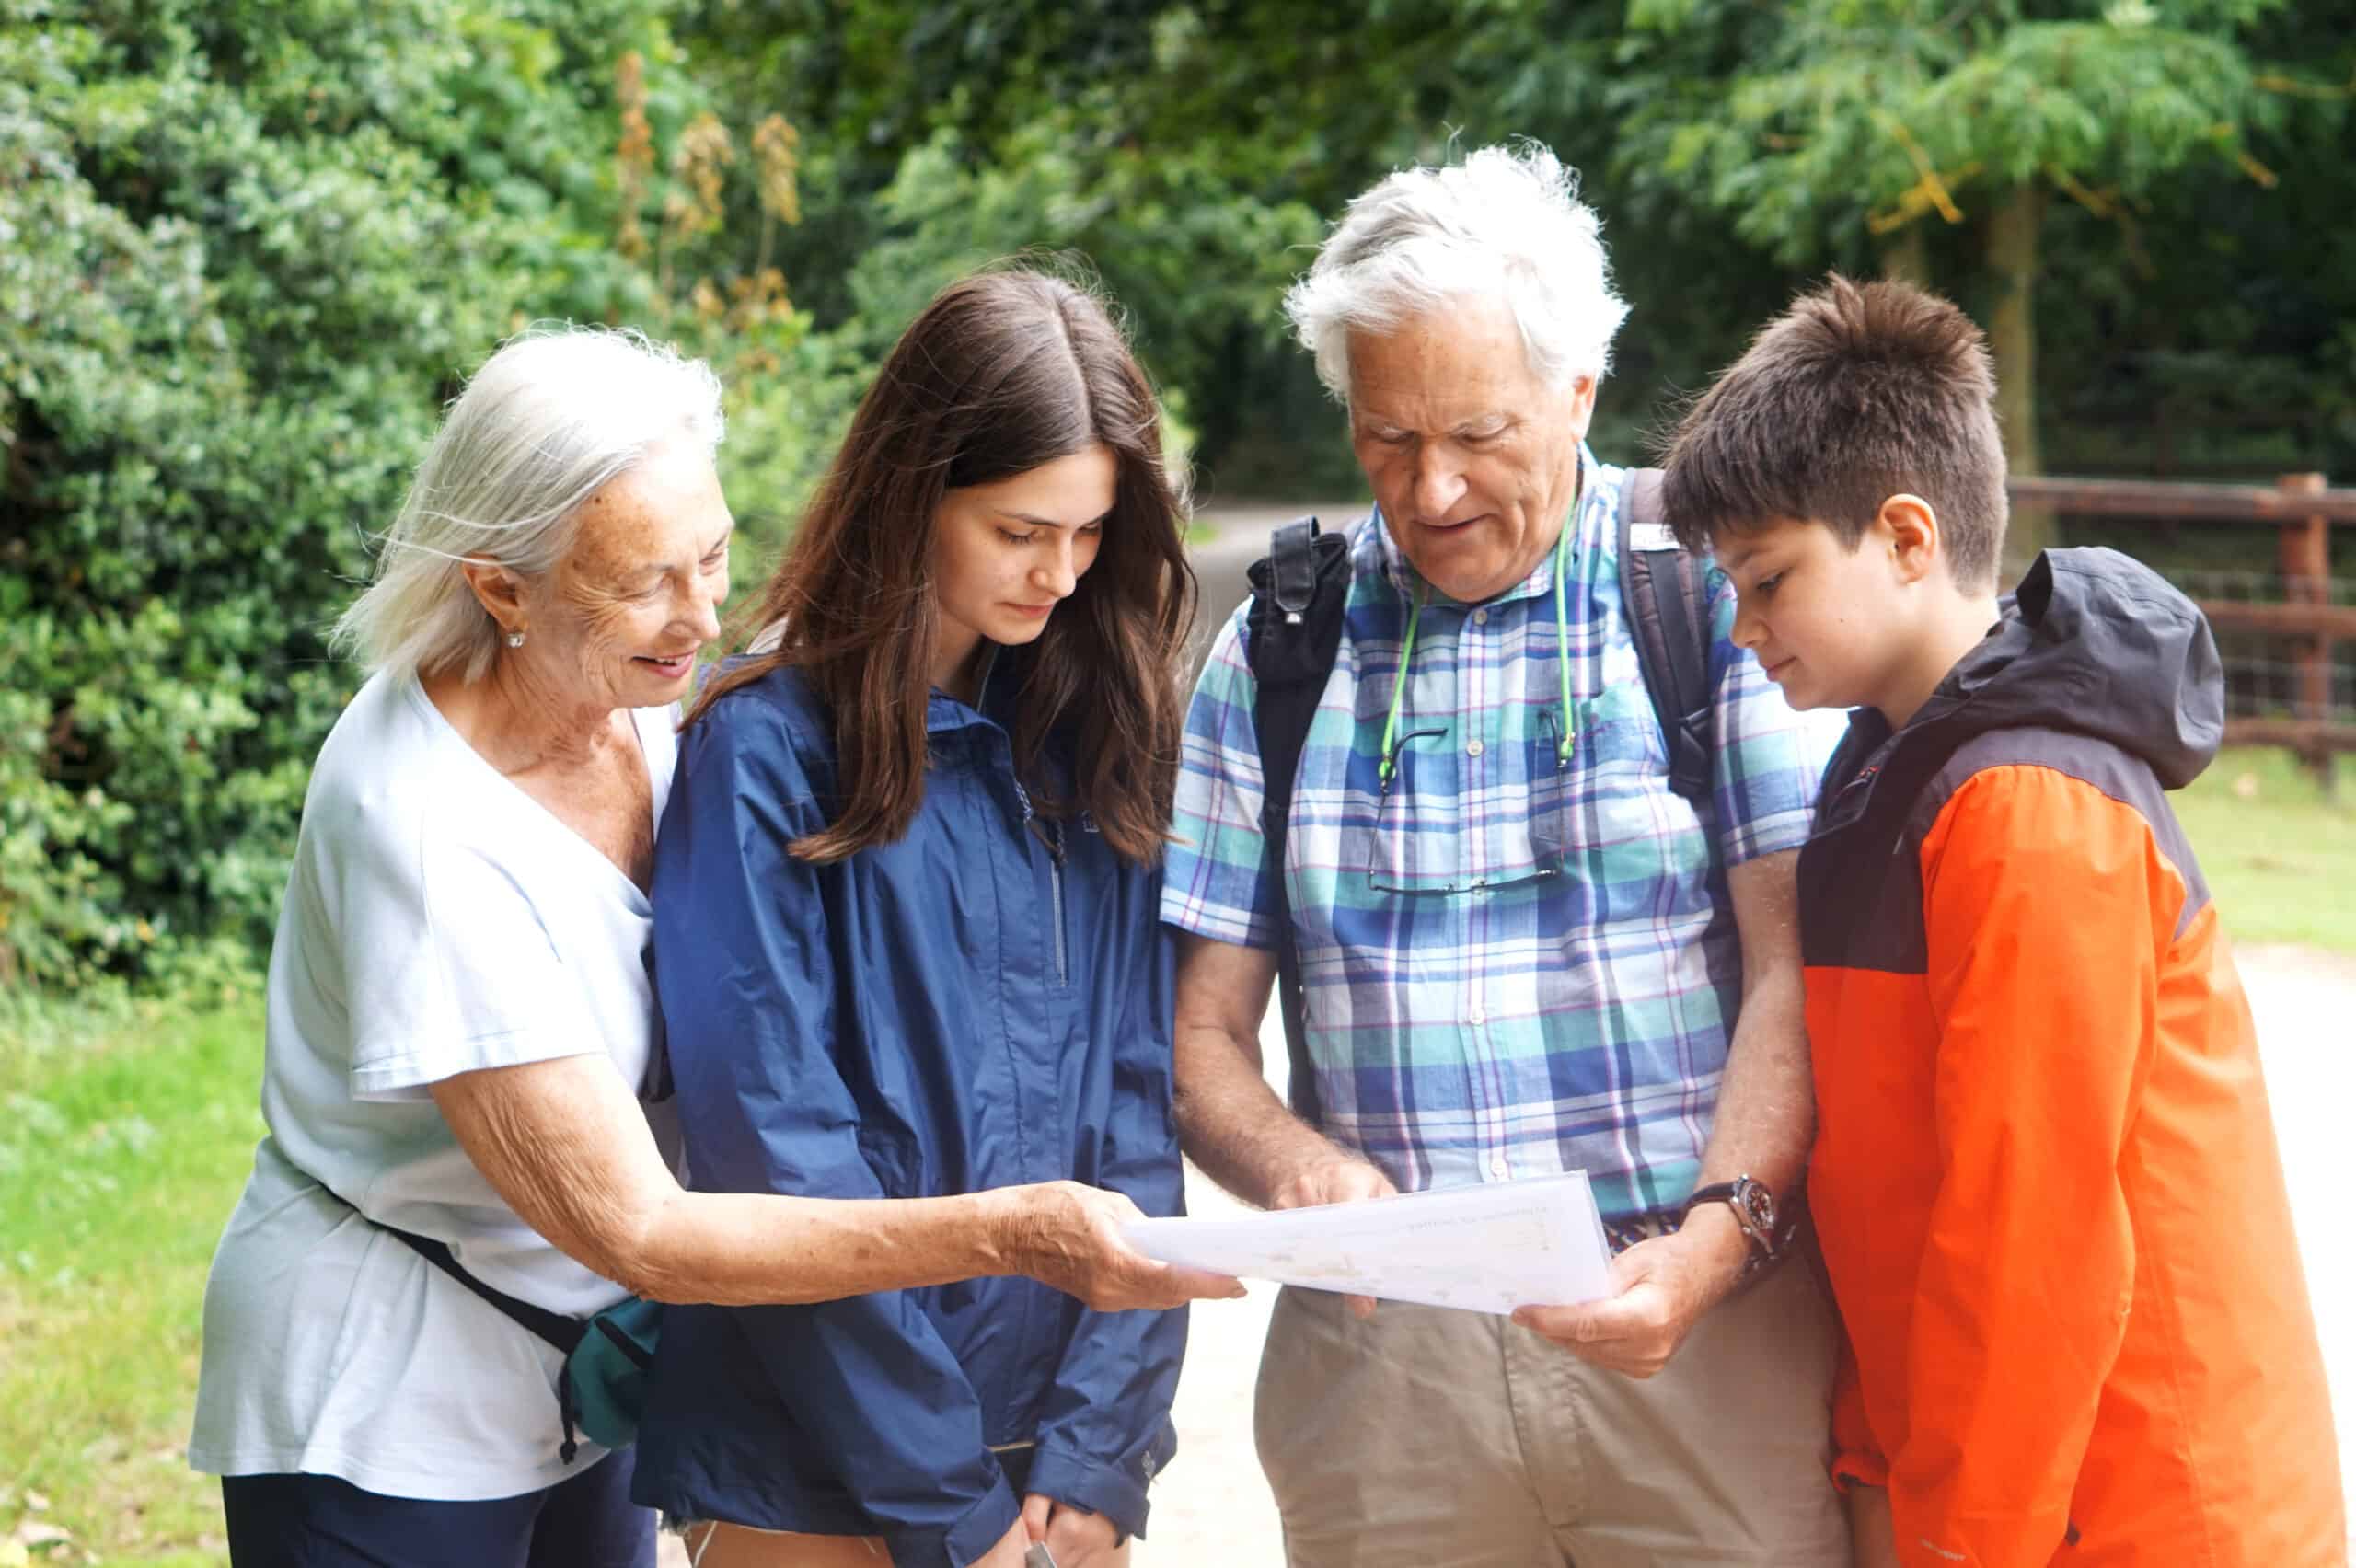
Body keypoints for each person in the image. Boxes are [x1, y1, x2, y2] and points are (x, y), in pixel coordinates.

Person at [190, 325, 1230, 1568]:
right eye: (645, 581)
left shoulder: (647, 703)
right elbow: (645, 1228)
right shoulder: (422, 830)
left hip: (591, 1380)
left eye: (715, 553)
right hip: (388, 1397)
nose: (704, 617)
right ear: (500, 585)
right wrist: (1012, 1232)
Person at [1163, 144, 1852, 1564]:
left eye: (1478, 434)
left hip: (1705, 1329)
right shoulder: (1276, 648)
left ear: (1581, 390)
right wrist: (1295, 1169)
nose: (1431, 492)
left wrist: (1717, 1245)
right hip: (1388, 1381)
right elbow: (1202, 1041)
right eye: (1387, 437)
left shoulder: (1708, 589)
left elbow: (1795, 968)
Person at [1658, 274, 2347, 1566]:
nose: (1742, 629)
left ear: (1909, 536)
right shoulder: (1891, 769)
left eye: (1768, 579)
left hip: (2140, 1509)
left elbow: (2035, 1249)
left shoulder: (2027, 802)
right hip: (2014, 1496)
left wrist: (1967, 1549)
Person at [630, 269, 1207, 1568]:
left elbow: (1135, 1104)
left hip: (1054, 1470)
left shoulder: (1092, 738)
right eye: (1018, 530)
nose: (1060, 573)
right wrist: (950, 1504)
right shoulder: (759, 750)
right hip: (804, 1462)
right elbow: (776, 1158)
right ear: (915, 491)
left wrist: (1100, 1451)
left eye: (1090, 533)